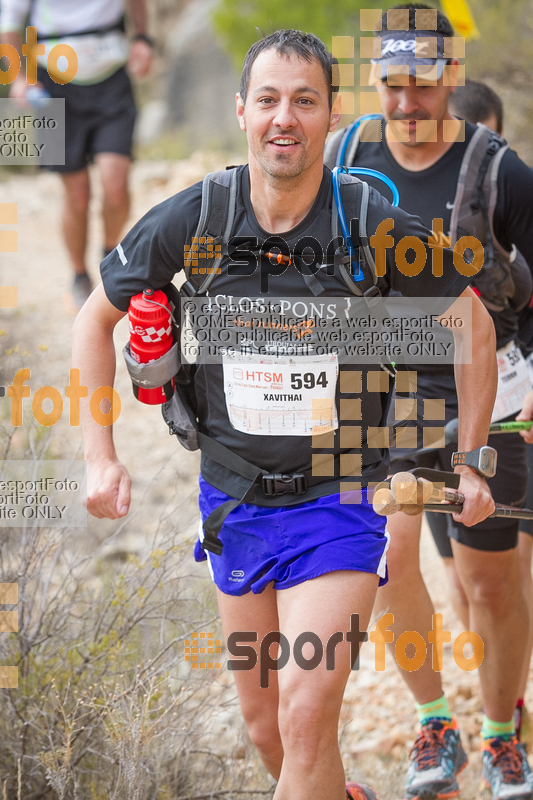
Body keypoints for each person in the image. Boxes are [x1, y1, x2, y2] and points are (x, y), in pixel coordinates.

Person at [72, 29, 497, 800]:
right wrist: (99, 455)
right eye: (268, 99)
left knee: (305, 715)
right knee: (267, 728)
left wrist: (469, 463)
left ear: (330, 116)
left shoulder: (366, 221)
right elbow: (92, 321)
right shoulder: (198, 215)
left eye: (304, 101)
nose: (284, 118)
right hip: (233, 496)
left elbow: (472, 325)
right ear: (241, 110)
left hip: (341, 493)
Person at [329, 4, 533, 799]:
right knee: (386, 559)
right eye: (391, 86)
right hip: (388, 382)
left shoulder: (498, 171)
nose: (407, 103)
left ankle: (501, 733)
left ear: (451, 78)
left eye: (421, 85)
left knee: (489, 584)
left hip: (496, 381)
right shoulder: (343, 154)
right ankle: (433, 722)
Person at [438, 78, 533, 752]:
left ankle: (497, 706)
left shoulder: (510, 194)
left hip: (504, 402)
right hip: (459, 403)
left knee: (479, 573)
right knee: (485, 573)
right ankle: (498, 705)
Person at [0, 0, 153, 307]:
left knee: (115, 187)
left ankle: (110, 256)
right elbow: (10, 25)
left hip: (112, 78)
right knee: (77, 196)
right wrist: (18, 78)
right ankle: (79, 275)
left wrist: (142, 38)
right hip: (51, 84)